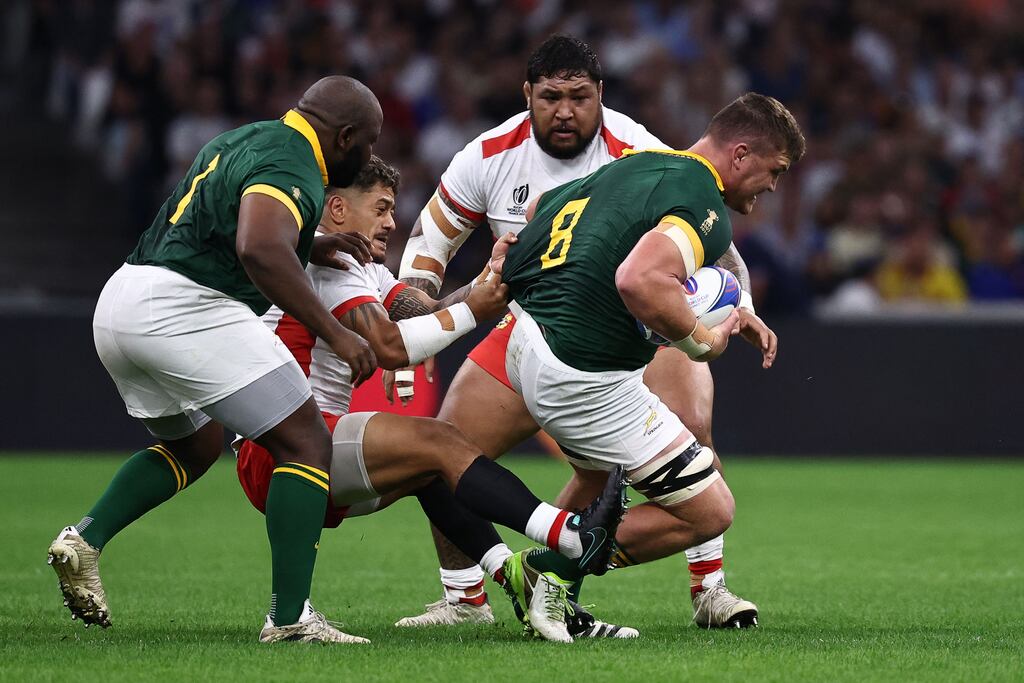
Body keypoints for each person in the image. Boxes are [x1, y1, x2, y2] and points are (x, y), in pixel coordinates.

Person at [395, 34, 773, 631]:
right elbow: (426, 249)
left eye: (579, 97)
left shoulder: (637, 147)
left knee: (690, 427)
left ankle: (708, 589)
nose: (565, 111)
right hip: (534, 321)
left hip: (634, 320)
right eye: (551, 98)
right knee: (437, 453)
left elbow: (717, 249)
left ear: (601, 93)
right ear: (527, 95)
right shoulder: (486, 156)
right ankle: (468, 599)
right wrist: (417, 316)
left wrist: (739, 306)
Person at [49, 76, 389, 644]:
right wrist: (334, 331)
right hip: (185, 307)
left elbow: (228, 225)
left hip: (123, 300)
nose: (370, 153)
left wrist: (311, 243)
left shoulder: (245, 137)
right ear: (346, 136)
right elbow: (258, 247)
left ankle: (84, 540)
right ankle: (290, 620)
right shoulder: (295, 161)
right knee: (307, 441)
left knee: (197, 444)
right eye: (370, 141)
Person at [233, 157, 626, 643]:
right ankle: (571, 535)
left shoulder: (362, 267)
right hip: (282, 453)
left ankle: (517, 577)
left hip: (306, 447)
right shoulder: (328, 263)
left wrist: (491, 275)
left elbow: (430, 311)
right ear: (337, 209)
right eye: (380, 208)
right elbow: (390, 347)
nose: (391, 222)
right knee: (438, 441)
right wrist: (473, 310)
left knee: (434, 466)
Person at [495, 91, 805, 639]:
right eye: (775, 170)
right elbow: (638, 280)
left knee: (596, 477)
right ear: (740, 155)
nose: (773, 186)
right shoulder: (703, 204)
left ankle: (551, 591)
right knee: (710, 511)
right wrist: (702, 342)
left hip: (527, 340)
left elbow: (541, 208)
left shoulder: (639, 163)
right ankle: (547, 572)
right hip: (581, 374)